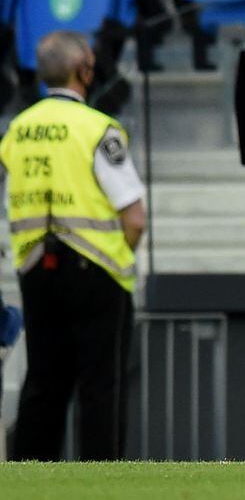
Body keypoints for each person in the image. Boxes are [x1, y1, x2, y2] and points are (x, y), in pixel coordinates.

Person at [1, 31, 147, 461]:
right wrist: (121, 256)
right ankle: (100, 483)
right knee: (100, 386)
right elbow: (133, 216)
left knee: (43, 382)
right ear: (84, 69)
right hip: (97, 268)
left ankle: (28, 479)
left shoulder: (18, 130)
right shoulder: (98, 128)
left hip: (34, 267)